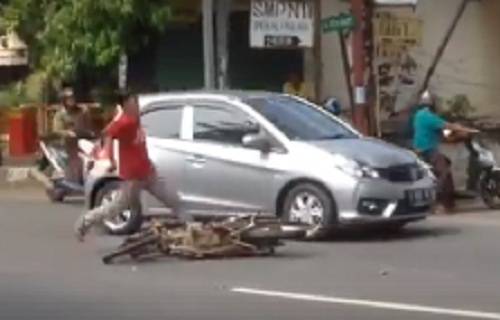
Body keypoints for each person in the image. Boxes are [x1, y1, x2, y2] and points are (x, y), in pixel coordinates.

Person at [74, 92, 179, 241]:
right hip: (132, 177)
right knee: (119, 206)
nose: (136, 106)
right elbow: (108, 134)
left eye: (136, 103)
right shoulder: (124, 122)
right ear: (125, 107)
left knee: (171, 198)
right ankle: (86, 221)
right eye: (132, 104)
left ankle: (191, 225)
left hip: (147, 171)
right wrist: (111, 159)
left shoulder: (137, 120)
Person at [412, 90, 476, 213]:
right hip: (427, 150)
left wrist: (455, 136)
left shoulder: (419, 115)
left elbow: (441, 134)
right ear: (432, 104)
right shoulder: (427, 116)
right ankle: (441, 204)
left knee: (446, 163)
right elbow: (447, 126)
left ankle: (449, 204)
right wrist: (463, 128)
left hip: (422, 149)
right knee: (444, 173)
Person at [52, 86, 92, 182]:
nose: (71, 100)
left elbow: (89, 126)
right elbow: (57, 131)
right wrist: (68, 133)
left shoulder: (83, 111)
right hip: (68, 143)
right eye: (69, 99)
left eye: (73, 98)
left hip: (83, 140)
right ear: (64, 100)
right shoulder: (60, 114)